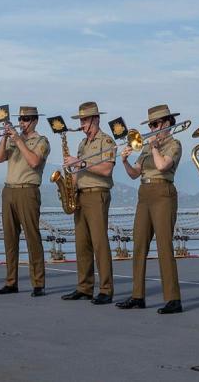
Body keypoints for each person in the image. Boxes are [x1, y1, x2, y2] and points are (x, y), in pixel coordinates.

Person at [116, 104, 183, 314]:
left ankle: (173, 299)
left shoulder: (174, 144)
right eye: (151, 124)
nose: (152, 128)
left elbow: (163, 166)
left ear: (166, 123)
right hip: (144, 192)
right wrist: (125, 161)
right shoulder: (145, 147)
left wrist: (154, 146)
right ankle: (138, 295)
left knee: (164, 246)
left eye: (155, 124)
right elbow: (135, 173)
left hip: (163, 192)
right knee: (139, 245)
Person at [60, 102, 116, 305]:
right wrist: (69, 189)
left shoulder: (107, 141)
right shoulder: (82, 144)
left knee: (99, 243)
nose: (82, 124)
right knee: (81, 244)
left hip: (97, 194)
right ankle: (84, 287)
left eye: (85, 120)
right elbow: (78, 172)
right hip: (81, 194)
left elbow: (107, 169)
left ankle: (106, 289)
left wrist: (80, 163)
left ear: (96, 119)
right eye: (81, 120)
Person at [0, 106, 51, 297]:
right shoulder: (13, 139)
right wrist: (4, 137)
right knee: (10, 239)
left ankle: (38, 283)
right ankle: (11, 282)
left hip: (28, 191)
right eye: (21, 119)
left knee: (32, 238)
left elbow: (34, 162)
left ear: (35, 120)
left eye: (26, 119)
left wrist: (18, 140)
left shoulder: (41, 141)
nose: (22, 123)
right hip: (9, 190)